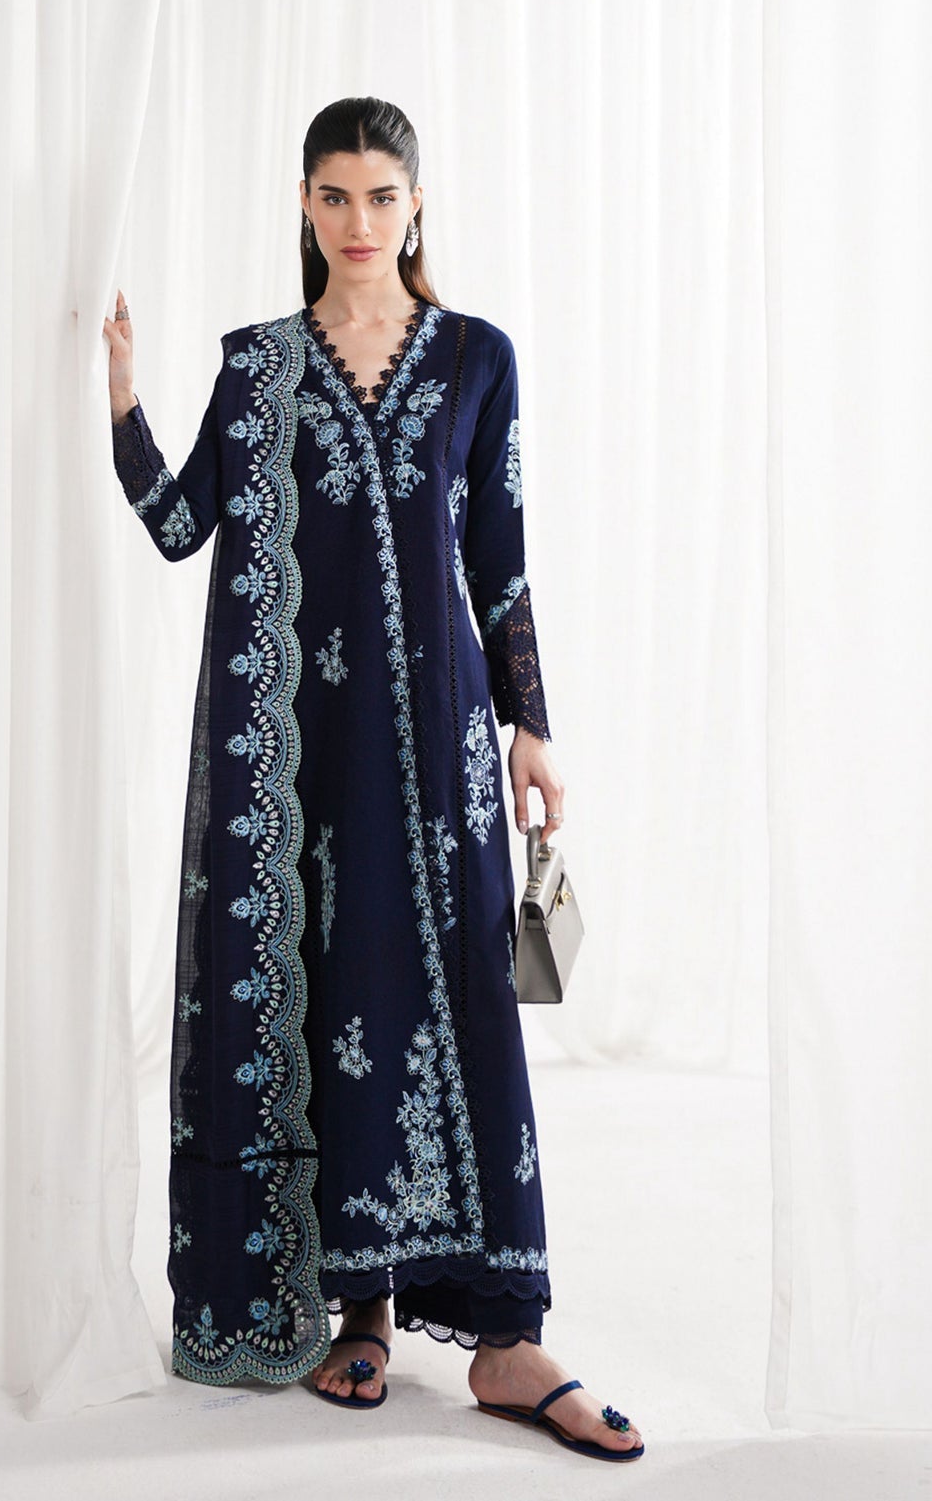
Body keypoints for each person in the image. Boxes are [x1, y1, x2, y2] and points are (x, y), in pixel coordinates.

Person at [102, 97, 644, 1463]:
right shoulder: (261, 366)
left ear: (416, 206)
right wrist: (120, 397)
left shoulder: (474, 358)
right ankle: (362, 1311)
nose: (359, 221)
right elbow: (179, 525)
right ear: (304, 204)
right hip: (311, 745)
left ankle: (509, 1337)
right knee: (341, 991)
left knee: (464, 999)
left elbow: (500, 556)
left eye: (382, 196)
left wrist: (533, 727)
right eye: (334, 196)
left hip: (445, 744)